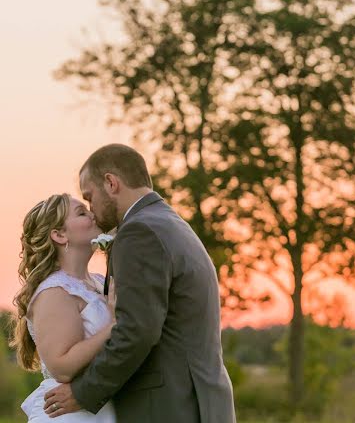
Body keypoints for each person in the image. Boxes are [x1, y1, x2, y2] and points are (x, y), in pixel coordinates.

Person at [44, 143, 236, 423]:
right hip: (201, 401)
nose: (91, 209)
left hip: (168, 406)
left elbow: (136, 331)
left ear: (111, 183)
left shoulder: (139, 231)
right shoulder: (171, 223)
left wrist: (83, 392)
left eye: (90, 197)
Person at [11, 193, 117, 422]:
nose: (92, 214)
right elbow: (62, 367)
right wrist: (114, 327)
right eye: (82, 213)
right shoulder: (54, 292)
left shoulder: (98, 281)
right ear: (59, 235)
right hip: (70, 415)